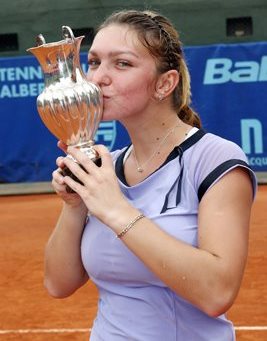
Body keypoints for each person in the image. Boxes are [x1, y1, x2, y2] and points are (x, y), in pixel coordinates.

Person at [44, 9, 257, 340]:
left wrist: (115, 209)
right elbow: (58, 284)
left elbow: (217, 293)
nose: (98, 78)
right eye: (95, 62)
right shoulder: (106, 166)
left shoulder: (215, 158)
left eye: (122, 63)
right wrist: (75, 206)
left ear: (164, 83)